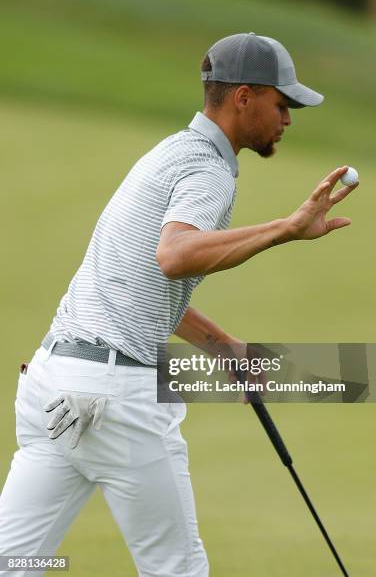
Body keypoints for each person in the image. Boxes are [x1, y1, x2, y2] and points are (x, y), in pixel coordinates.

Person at [0, 32, 357, 577]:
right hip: (116, 400)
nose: (288, 119)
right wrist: (285, 228)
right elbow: (174, 255)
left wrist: (223, 347)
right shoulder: (207, 172)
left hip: (55, 384)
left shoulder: (166, 153)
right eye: (281, 104)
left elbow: (138, 281)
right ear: (244, 97)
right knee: (176, 569)